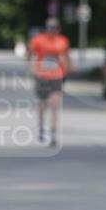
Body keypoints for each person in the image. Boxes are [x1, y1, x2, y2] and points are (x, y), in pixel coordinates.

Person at [27, 17, 72, 146]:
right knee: (43, 104)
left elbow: (65, 57)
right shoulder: (38, 40)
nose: (51, 30)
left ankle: (53, 133)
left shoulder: (62, 41)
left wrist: (66, 72)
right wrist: (32, 68)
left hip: (57, 76)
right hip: (42, 76)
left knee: (55, 105)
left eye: (54, 27)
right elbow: (30, 53)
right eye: (49, 27)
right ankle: (41, 128)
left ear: (58, 29)